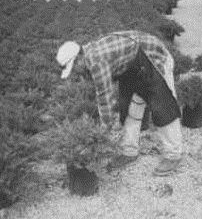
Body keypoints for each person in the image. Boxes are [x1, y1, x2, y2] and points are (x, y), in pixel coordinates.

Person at [56, 30, 184, 177]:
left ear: (78, 58)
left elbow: (104, 96)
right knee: (128, 109)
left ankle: (173, 155)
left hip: (154, 58)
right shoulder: (89, 53)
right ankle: (129, 152)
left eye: (74, 68)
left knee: (163, 108)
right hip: (133, 66)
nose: (76, 72)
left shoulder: (96, 60)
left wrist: (103, 131)